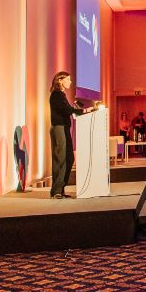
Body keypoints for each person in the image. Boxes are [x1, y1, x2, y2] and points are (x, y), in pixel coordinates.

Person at [48, 71, 95, 199]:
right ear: (60, 80)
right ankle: (56, 191)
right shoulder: (56, 94)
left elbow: (68, 110)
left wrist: (81, 111)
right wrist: (84, 110)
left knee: (69, 158)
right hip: (59, 128)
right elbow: (67, 110)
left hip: (64, 128)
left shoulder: (61, 95)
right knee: (61, 158)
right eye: (68, 79)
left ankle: (60, 189)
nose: (70, 82)